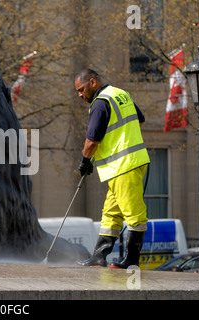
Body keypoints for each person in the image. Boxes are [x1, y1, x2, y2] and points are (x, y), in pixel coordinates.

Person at [74, 68, 150, 268]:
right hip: (127, 164)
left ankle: (132, 260)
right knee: (110, 213)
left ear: (92, 82)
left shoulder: (100, 103)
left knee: (134, 215)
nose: (80, 95)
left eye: (81, 90)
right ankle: (98, 257)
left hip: (124, 165)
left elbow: (91, 141)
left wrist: (85, 161)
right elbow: (140, 119)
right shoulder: (121, 94)